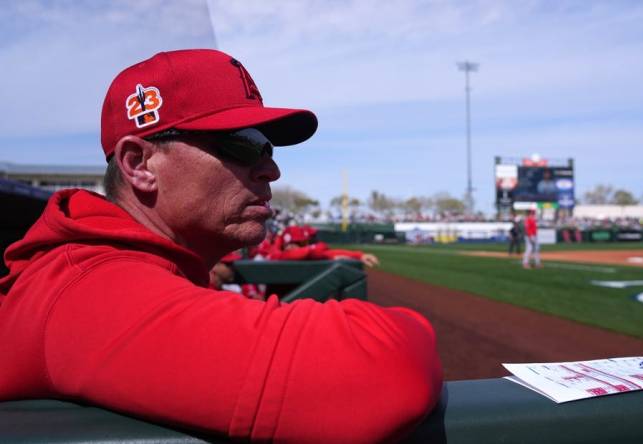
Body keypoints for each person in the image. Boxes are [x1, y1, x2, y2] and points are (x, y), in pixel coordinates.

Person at [0, 49, 442, 443]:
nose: (271, 170)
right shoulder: (90, 290)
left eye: (267, 147)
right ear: (139, 164)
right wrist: (417, 327)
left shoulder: (104, 268)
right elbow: (381, 371)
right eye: (242, 144)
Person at [265, 224, 380, 267]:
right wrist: (316, 248)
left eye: (298, 243)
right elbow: (300, 253)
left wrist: (359, 255)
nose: (292, 246)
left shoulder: (308, 252)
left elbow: (329, 253)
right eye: (290, 243)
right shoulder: (274, 253)